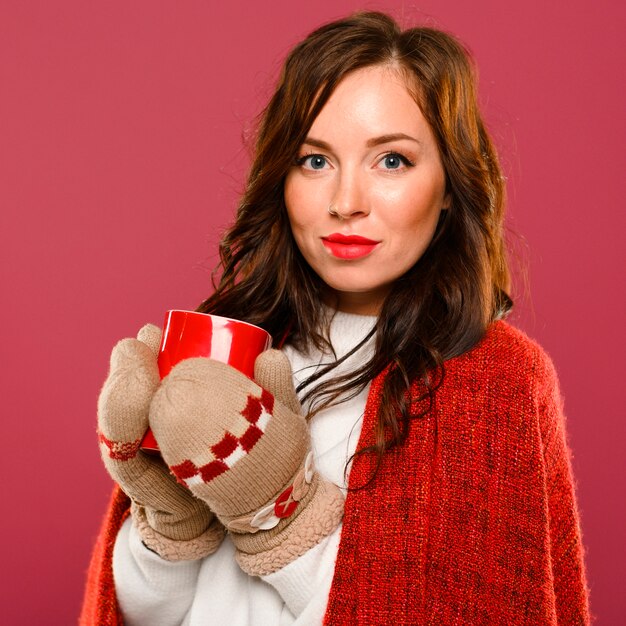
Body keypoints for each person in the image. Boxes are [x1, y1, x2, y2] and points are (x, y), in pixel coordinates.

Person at [81, 11, 591, 625]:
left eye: (392, 162)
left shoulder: (497, 380)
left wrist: (281, 513)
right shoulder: (224, 350)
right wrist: (167, 520)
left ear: (451, 184)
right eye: (315, 161)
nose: (346, 203)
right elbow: (146, 617)